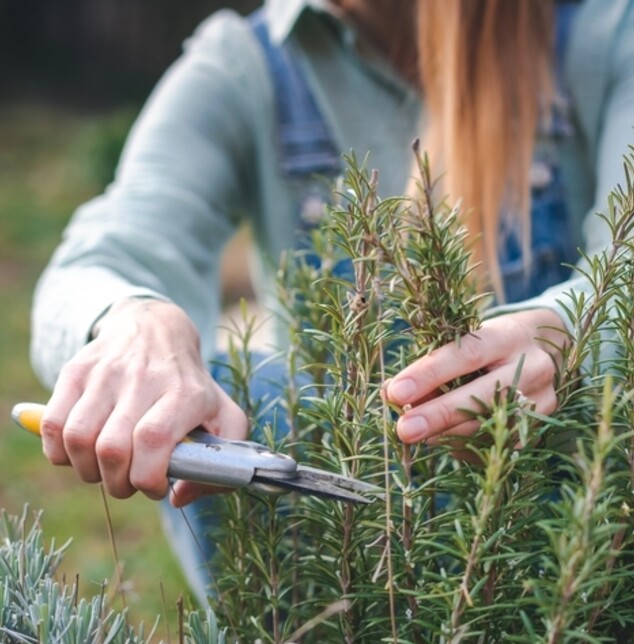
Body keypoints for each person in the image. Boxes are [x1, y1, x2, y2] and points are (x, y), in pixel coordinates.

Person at [30, 0, 634, 602]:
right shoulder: (247, 66)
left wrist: (575, 333)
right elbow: (101, 259)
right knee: (234, 393)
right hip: (349, 584)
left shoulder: (604, 32)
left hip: (577, 552)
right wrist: (134, 323)